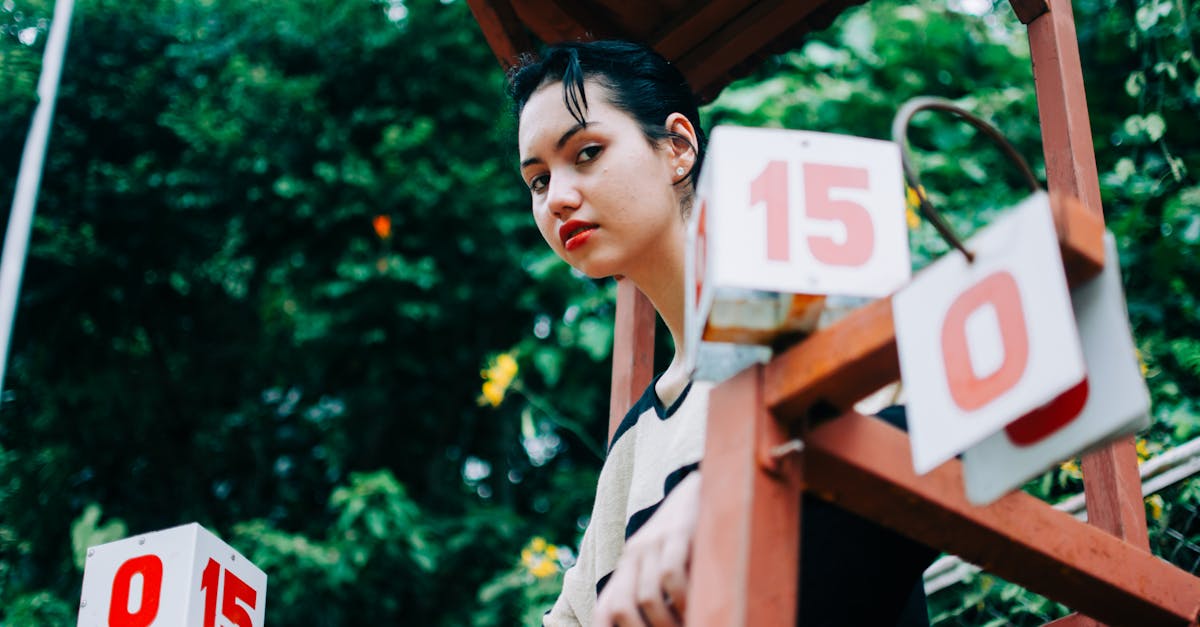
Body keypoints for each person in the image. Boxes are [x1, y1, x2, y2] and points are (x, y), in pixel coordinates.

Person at [509, 40, 936, 627]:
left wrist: (723, 492)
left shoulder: (805, 318)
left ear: (678, 148)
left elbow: (933, 434)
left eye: (586, 152)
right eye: (536, 181)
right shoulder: (635, 449)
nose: (557, 198)